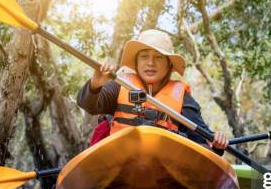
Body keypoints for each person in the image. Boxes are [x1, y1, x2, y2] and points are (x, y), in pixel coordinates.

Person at [77, 29, 229, 153]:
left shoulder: (183, 98)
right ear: (136, 62)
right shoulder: (119, 84)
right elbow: (88, 104)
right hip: (118, 161)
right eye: (144, 56)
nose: (150, 63)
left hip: (163, 169)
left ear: (169, 65)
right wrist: (95, 85)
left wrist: (217, 144)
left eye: (158, 57)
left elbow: (203, 143)